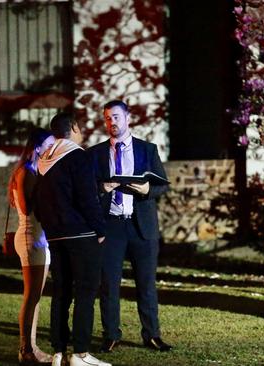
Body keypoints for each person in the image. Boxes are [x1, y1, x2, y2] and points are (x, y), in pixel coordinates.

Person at [88, 100, 172, 353]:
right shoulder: (95, 153)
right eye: (107, 118)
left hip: (141, 227)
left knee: (146, 284)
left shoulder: (147, 149)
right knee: (109, 284)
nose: (112, 122)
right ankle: (111, 335)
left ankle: (152, 334)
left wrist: (147, 189)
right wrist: (101, 188)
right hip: (111, 225)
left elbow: (163, 185)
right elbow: (86, 189)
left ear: (127, 118)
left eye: (116, 117)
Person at [32, 112, 111, 366]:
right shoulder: (79, 156)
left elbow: (38, 204)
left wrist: (51, 226)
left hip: (55, 236)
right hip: (82, 234)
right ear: (74, 128)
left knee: (61, 292)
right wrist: (100, 230)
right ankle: (80, 353)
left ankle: (58, 352)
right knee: (86, 292)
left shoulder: (43, 160)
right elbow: (87, 198)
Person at [7, 127, 56, 365]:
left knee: (36, 296)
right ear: (37, 147)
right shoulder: (26, 172)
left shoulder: (35, 170)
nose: (52, 149)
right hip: (31, 237)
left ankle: (32, 347)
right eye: (49, 144)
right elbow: (27, 208)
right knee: (31, 296)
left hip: (39, 237)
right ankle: (26, 349)